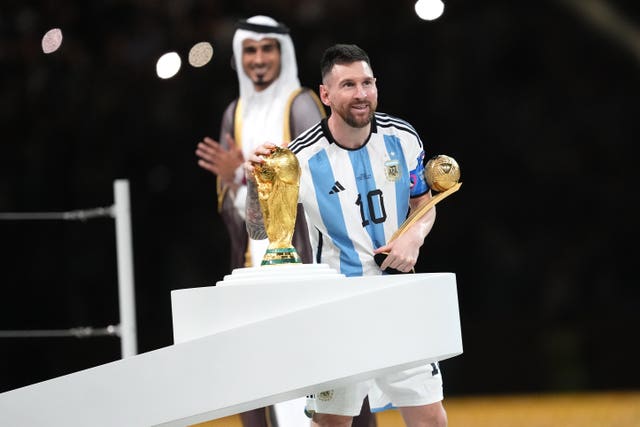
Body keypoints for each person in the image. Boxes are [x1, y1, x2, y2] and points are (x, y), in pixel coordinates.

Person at [246, 44, 448, 426]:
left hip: (400, 302)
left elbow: (424, 201)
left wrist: (414, 237)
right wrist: (258, 185)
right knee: (332, 424)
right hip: (337, 310)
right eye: (348, 85)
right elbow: (260, 230)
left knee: (431, 419)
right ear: (325, 94)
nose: (361, 94)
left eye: (367, 83)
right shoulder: (300, 158)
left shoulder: (402, 137)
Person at [195, 17, 376, 427]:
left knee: (331, 380)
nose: (259, 59)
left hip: (307, 264)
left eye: (268, 49)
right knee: (257, 380)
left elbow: (320, 179)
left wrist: (243, 174)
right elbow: (235, 207)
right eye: (250, 50)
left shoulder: (302, 105)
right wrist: (233, 180)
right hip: (254, 265)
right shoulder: (234, 113)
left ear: (283, 53)